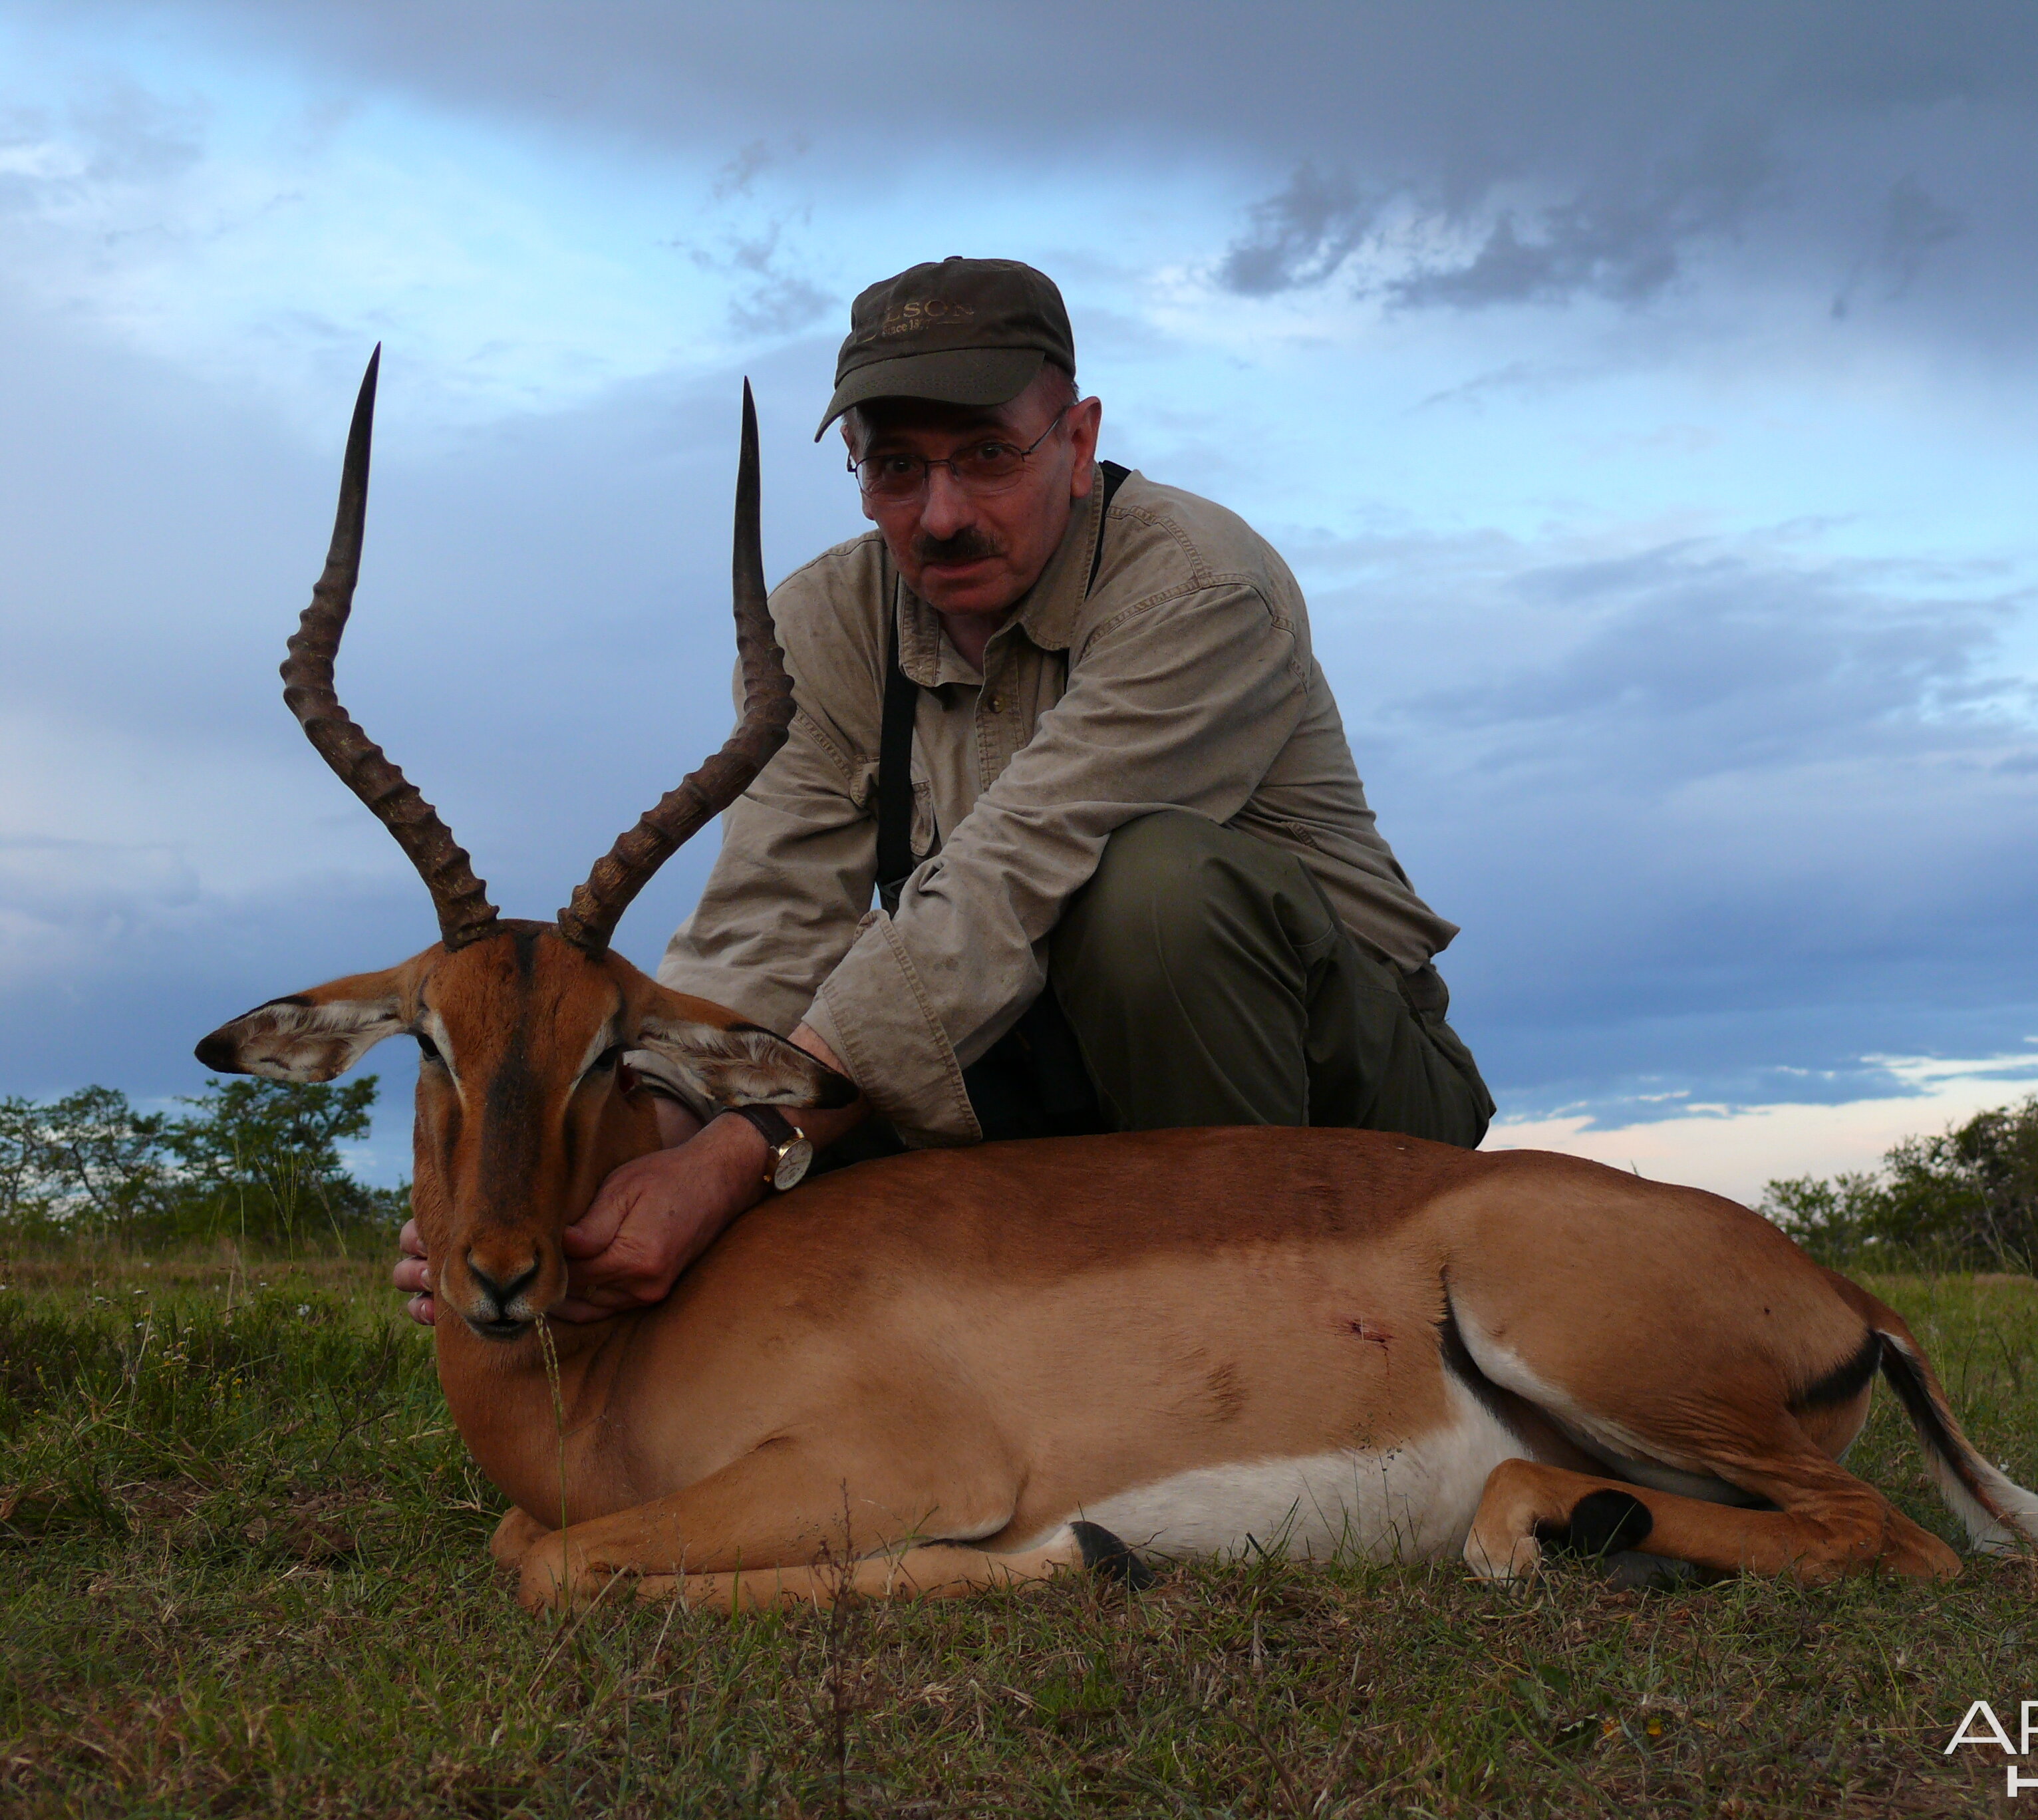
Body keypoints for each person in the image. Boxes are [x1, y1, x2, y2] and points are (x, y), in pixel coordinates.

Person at [396, 257, 1491, 1324]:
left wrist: (742, 1153)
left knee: (1152, 898)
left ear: (1079, 441)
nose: (942, 514)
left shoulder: (1198, 587)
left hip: (1347, 1103)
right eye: (897, 469)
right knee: (796, 1100)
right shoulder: (822, 626)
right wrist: (579, 1187)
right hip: (1024, 1087)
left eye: (988, 454)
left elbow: (1006, 885)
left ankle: (1277, 1327)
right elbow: (766, 927)